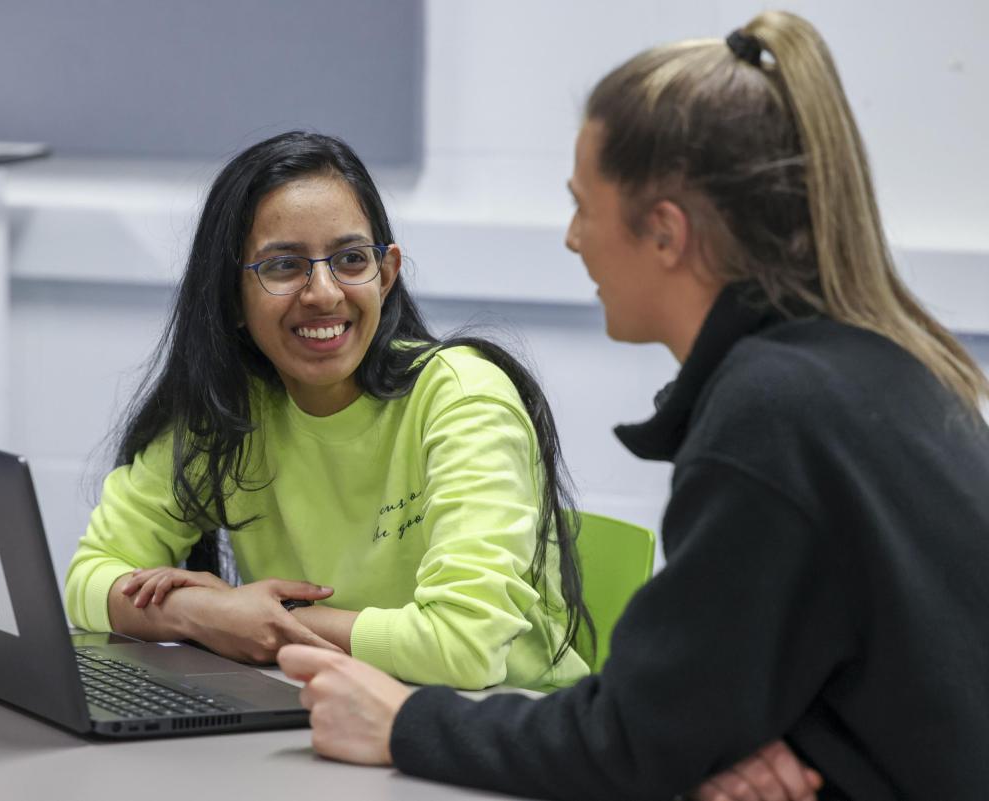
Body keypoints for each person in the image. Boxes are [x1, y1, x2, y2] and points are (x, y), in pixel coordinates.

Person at [277, 10, 989, 801]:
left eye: (584, 205)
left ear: (665, 233)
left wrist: (404, 721)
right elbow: (703, 712)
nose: (574, 239)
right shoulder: (879, 368)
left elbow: (627, 742)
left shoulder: (770, 417)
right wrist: (732, 745)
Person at [63, 130, 595, 693]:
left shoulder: (463, 399)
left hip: (502, 735)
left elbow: (465, 648)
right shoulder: (229, 409)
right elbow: (91, 579)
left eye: (349, 259)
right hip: (329, 715)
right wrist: (203, 613)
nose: (323, 292)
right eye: (284, 266)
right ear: (231, 298)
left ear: (386, 275)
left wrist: (266, 620)